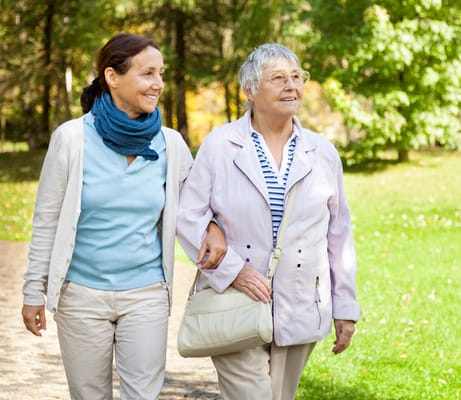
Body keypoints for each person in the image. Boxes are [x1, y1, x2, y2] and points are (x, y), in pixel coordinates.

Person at [21, 32, 226, 400]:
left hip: (146, 293)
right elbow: (47, 220)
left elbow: (198, 206)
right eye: (148, 74)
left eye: (161, 74)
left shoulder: (170, 144)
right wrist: (34, 291)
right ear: (113, 77)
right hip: (81, 295)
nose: (158, 84)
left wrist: (213, 227)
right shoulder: (72, 139)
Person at [176, 43, 361, 400]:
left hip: (301, 301)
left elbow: (339, 234)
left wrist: (345, 307)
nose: (291, 85)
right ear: (250, 90)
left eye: (297, 77)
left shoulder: (322, 152)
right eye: (278, 78)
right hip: (233, 302)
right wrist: (235, 272)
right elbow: (189, 216)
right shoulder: (220, 146)